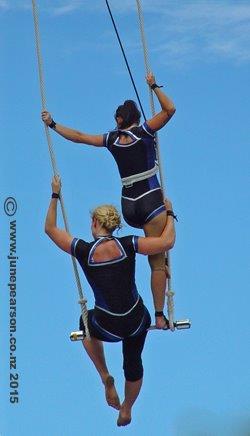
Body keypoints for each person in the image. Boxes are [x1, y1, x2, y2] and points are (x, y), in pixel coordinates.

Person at [42, 72, 176, 329]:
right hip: (150, 202)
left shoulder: (111, 139)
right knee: (158, 259)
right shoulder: (145, 131)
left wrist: (53, 124)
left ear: (118, 121)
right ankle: (159, 316)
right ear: (135, 118)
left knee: (139, 248)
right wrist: (154, 86)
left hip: (129, 206)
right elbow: (170, 110)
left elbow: (80, 136)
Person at [45, 175, 176, 427]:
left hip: (106, 325)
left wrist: (54, 194)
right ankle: (127, 408)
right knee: (133, 363)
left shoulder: (83, 250)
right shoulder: (129, 244)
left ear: (95, 223)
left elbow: (50, 229)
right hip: (137, 320)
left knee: (84, 324)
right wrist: (169, 215)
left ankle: (105, 376)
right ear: (114, 225)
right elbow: (167, 241)